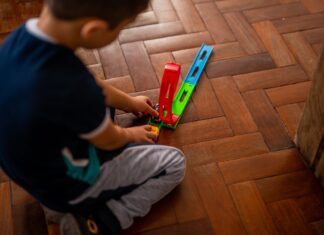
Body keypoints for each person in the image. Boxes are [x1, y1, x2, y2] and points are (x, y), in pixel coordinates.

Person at [0, 0, 186, 234]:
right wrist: (132, 134)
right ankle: (100, 220)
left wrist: (130, 103)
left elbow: (93, 86)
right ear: (93, 29)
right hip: (66, 185)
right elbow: (108, 139)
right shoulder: (74, 86)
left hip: (30, 169)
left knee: (101, 108)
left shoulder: (19, 37)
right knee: (173, 164)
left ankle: (55, 203)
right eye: (120, 28)